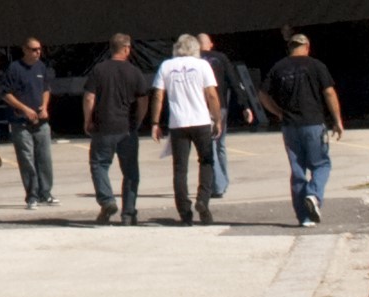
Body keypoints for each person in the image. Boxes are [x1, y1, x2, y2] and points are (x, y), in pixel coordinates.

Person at [261, 31, 346, 226]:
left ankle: (305, 218)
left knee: (298, 170)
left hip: (290, 126)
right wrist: (337, 120)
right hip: (314, 124)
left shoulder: (278, 68)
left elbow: (262, 95)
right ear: (307, 47)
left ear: (289, 47)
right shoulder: (316, 65)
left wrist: (278, 112)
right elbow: (329, 93)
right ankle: (314, 194)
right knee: (321, 164)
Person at [152, 34, 223, 225]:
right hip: (200, 121)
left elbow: (158, 95)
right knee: (206, 161)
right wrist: (217, 119)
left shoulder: (166, 66)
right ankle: (203, 200)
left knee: (180, 168)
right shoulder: (202, 65)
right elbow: (212, 95)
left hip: (178, 122)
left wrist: (155, 122)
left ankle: (185, 212)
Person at [81, 34, 151, 225]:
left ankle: (107, 200)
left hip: (103, 126)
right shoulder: (134, 71)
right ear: (126, 49)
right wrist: (139, 120)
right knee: (130, 172)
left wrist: (88, 120)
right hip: (127, 127)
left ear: (111, 49)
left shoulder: (99, 70)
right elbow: (143, 99)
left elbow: (89, 97)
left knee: (99, 165)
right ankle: (128, 213)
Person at [0, 37, 57, 207]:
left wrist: (44, 107)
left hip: (41, 121)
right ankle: (32, 195)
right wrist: (24, 109)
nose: (38, 52)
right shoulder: (14, 68)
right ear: (25, 50)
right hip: (21, 122)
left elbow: (46, 89)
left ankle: (46, 193)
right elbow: (5, 94)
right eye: (34, 49)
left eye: (39, 49)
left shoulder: (41, 67)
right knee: (27, 159)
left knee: (44, 158)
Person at [199, 32, 258, 201]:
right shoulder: (221, 58)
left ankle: (218, 185)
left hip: (203, 107)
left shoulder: (194, 60)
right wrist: (245, 106)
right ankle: (223, 180)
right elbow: (234, 81)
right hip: (221, 106)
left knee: (210, 145)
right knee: (220, 145)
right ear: (210, 44)